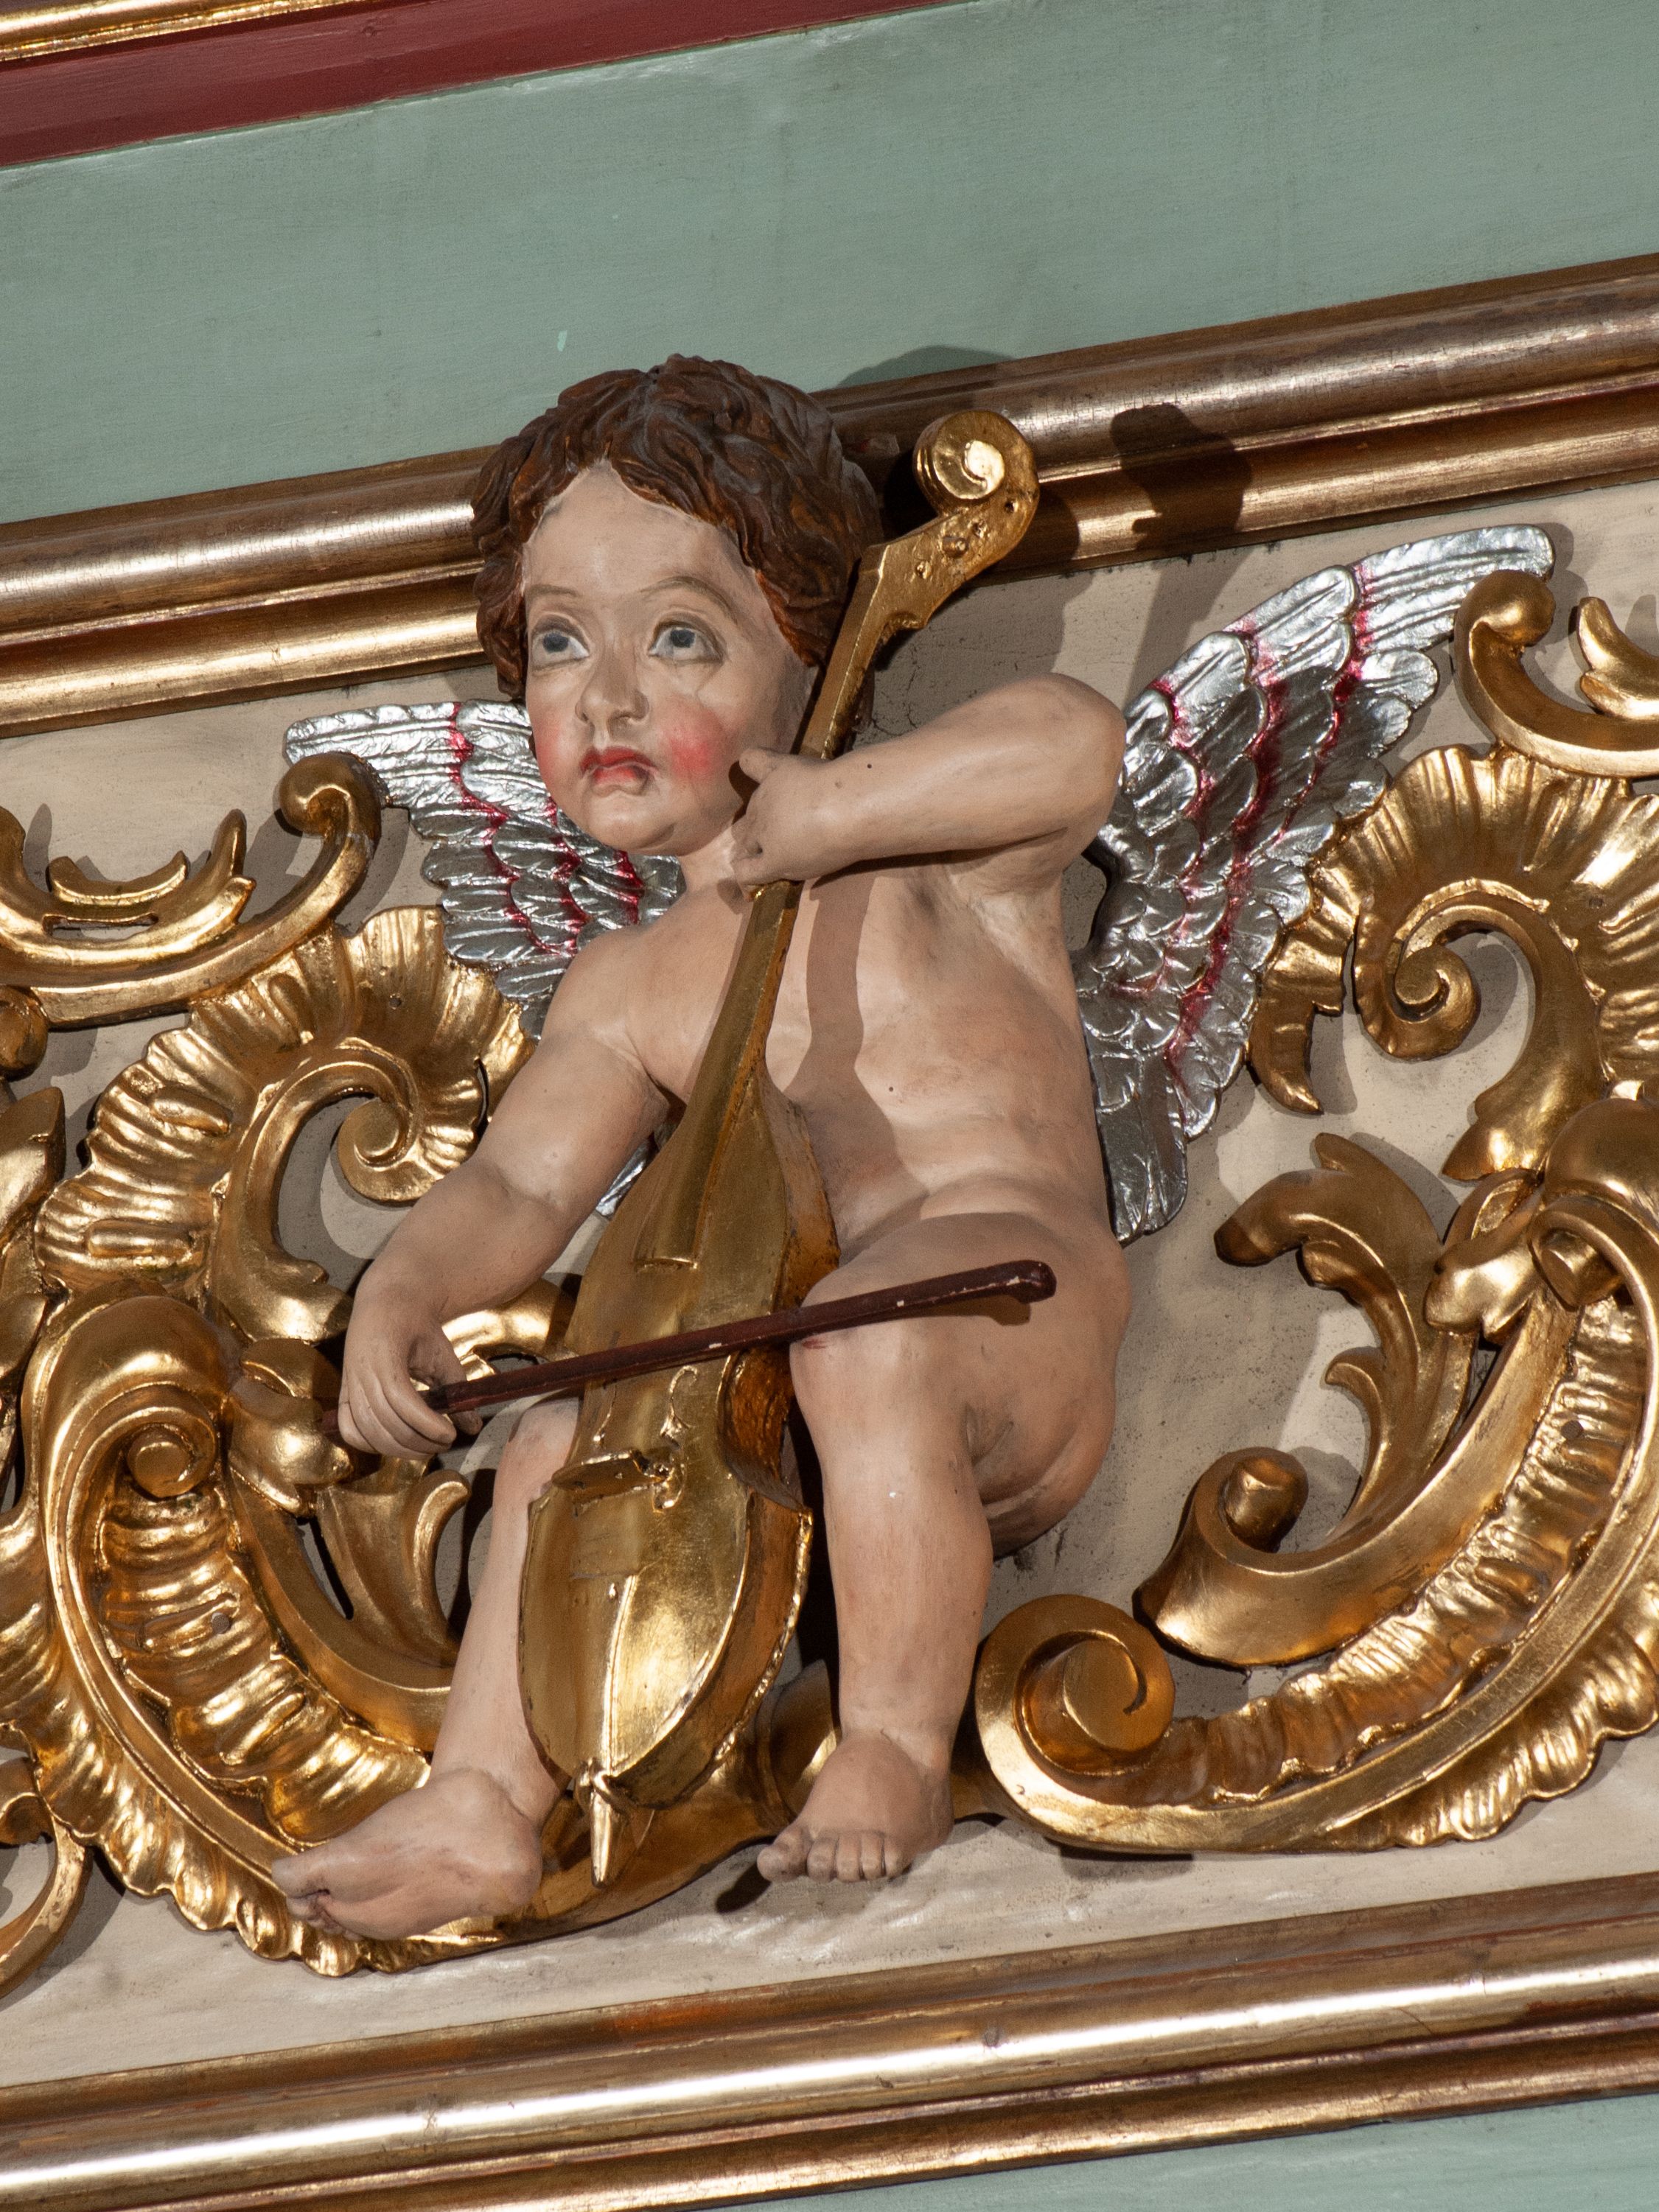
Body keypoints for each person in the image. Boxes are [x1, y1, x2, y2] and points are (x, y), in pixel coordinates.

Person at [274, 356, 1129, 1939]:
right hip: (763, 1398)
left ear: (811, 639)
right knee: (560, 1434)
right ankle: (483, 1798)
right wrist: (402, 1295)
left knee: (868, 1342)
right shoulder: (634, 983)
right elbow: (520, 1182)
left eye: (677, 636)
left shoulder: (932, 861)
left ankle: (889, 1744)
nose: (606, 697)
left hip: (1005, 1313)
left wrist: (842, 809)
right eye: (557, 643)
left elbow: (1072, 743)